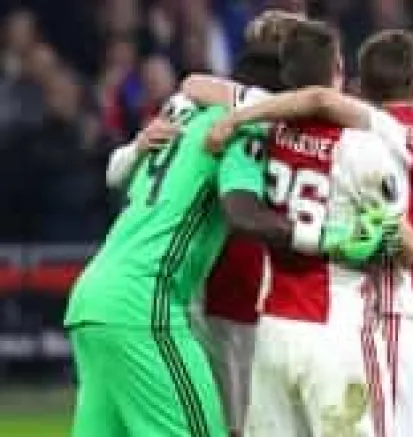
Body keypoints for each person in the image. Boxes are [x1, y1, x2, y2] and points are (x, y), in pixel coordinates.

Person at [205, 29, 413, 437]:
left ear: (359, 85)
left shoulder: (357, 132)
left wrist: (234, 118)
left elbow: (200, 86)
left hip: (371, 321)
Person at [64, 55, 393, 437]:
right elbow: (242, 212)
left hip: (93, 298)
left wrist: (137, 146)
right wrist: (332, 238)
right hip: (145, 303)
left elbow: (116, 172)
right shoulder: (243, 131)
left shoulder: (183, 116)